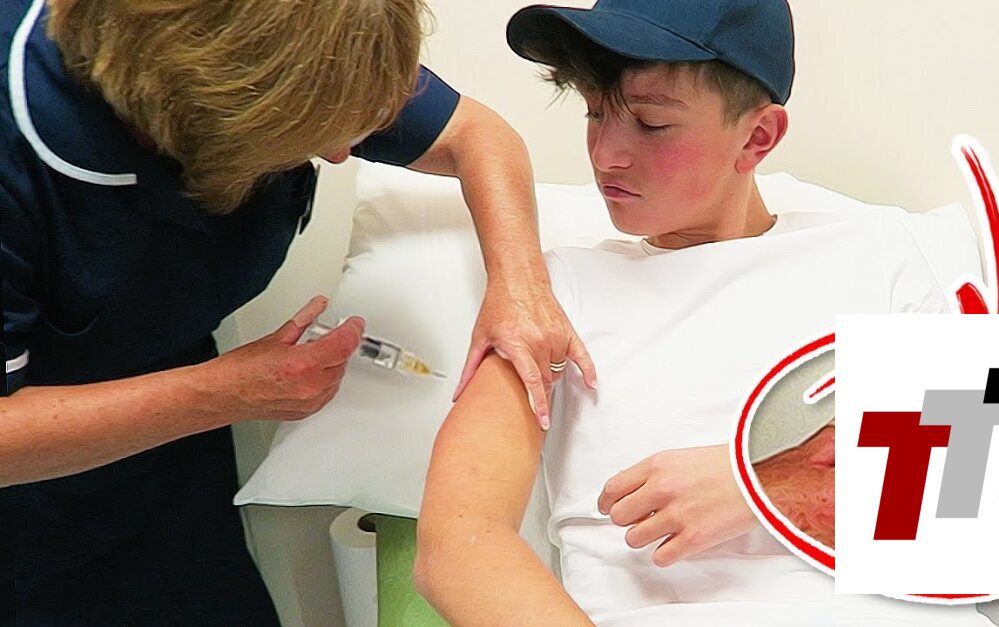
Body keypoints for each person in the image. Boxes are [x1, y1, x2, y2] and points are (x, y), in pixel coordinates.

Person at [1, 0, 593, 623]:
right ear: (207, 105)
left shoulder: (309, 38)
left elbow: (475, 134)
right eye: (312, 138)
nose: (340, 156)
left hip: (169, 463)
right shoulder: (24, 142)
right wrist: (220, 393)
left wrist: (520, 284)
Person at [414, 1, 999, 625]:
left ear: (757, 137)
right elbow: (459, 544)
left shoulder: (879, 252)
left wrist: (763, 485)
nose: (606, 155)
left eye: (651, 124)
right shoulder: (552, 292)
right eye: (595, 112)